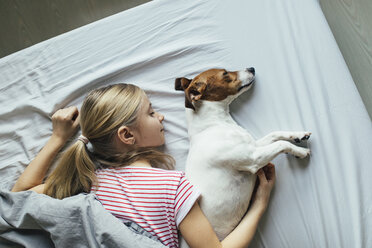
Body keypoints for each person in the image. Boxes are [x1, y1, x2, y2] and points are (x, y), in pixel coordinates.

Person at [11, 83, 276, 248]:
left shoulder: (89, 182)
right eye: (151, 113)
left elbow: (18, 199)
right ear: (127, 135)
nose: (161, 116)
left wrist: (57, 138)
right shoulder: (173, 187)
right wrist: (260, 204)